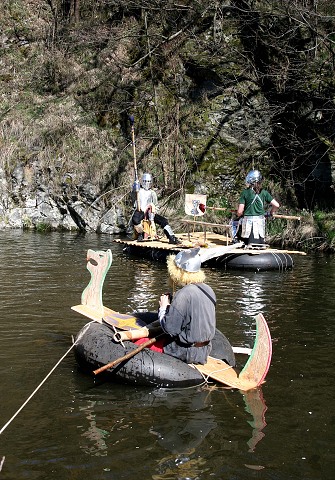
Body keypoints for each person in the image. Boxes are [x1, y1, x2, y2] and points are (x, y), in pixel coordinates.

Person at [115, 247, 217, 365]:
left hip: (187, 351)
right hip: (203, 350)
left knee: (140, 341)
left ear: (179, 272)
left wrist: (164, 307)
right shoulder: (208, 290)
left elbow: (169, 329)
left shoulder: (183, 294)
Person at [131, 172, 181, 244]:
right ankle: (141, 234)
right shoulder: (138, 191)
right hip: (140, 211)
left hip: (150, 212)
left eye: (148, 181)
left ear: (150, 182)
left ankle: (171, 237)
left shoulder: (152, 193)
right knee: (135, 220)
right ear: (142, 181)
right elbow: (133, 197)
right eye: (145, 181)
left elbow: (156, 205)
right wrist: (134, 188)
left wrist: (153, 212)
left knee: (164, 221)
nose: (146, 183)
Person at [236, 169, 279, 245]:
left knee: (235, 223)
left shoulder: (245, 193)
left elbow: (239, 212)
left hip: (248, 222)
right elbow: (276, 205)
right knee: (259, 242)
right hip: (260, 221)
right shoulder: (264, 192)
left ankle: (236, 240)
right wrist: (271, 212)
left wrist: (239, 214)